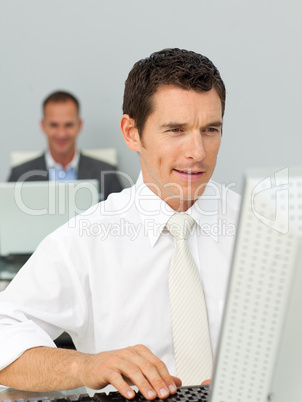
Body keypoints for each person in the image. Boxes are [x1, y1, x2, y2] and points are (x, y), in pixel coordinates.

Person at [0, 49, 240, 399]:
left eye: (210, 129)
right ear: (132, 133)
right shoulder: (85, 241)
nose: (198, 151)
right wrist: (85, 366)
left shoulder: (262, 228)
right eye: (175, 130)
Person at [7, 91, 123, 201]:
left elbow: (120, 217)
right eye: (54, 125)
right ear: (43, 126)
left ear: (79, 125)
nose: (61, 133)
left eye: (68, 125)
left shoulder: (107, 173)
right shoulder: (20, 176)